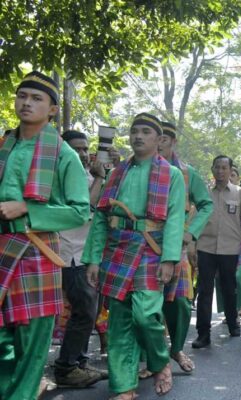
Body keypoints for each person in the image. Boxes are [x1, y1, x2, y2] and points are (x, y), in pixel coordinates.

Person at [0, 72, 90, 400]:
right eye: (22, 95)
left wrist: (27, 209)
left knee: (31, 343)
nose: (27, 102)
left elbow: (79, 210)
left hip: (38, 252)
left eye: (37, 98)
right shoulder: (4, 145)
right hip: (1, 249)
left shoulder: (64, 154)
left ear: (52, 110)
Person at [84, 112, 186, 399]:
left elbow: (176, 218)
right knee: (119, 322)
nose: (138, 136)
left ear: (159, 139)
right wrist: (93, 258)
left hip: (151, 250)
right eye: (134, 131)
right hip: (117, 249)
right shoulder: (117, 173)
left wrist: (169, 258)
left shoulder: (173, 175)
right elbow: (101, 217)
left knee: (145, 315)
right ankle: (124, 387)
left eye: (145, 132)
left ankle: (158, 361)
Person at [53, 130, 109, 388]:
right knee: (84, 311)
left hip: (87, 254)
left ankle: (79, 362)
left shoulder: (87, 174)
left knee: (90, 311)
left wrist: (107, 173)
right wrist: (99, 177)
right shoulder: (61, 176)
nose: (84, 154)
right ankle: (66, 368)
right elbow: (86, 206)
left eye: (86, 148)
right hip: (69, 255)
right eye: (77, 149)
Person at [157, 121, 213, 371]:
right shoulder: (136, 169)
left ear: (173, 141)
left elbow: (206, 204)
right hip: (143, 246)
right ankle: (153, 357)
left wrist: (191, 233)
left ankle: (176, 349)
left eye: (164, 139)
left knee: (179, 302)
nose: (159, 144)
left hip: (176, 247)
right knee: (147, 304)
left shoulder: (188, 173)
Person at [192, 155, 241, 347]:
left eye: (224, 168)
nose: (220, 171)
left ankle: (233, 322)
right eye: (217, 167)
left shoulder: (239, 193)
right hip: (206, 247)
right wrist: (191, 245)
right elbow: (194, 221)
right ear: (212, 170)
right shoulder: (204, 194)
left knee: (229, 289)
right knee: (205, 290)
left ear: (230, 170)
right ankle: (203, 334)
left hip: (230, 248)